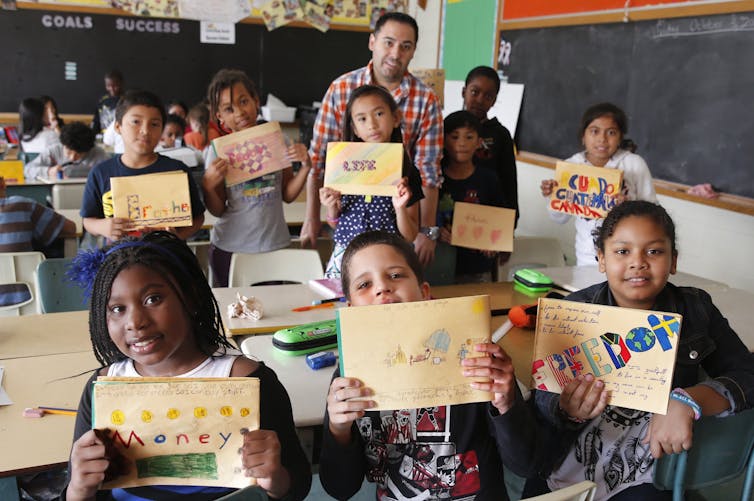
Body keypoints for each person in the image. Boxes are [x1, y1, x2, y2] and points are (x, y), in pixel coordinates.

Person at [496, 201, 754, 501]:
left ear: (673, 261)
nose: (638, 262)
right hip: (566, 468)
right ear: (601, 260)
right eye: (622, 251)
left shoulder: (697, 309)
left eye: (654, 251)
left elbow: (747, 374)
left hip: (648, 474)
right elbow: (543, 403)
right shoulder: (573, 313)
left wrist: (689, 400)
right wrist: (567, 409)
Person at [64, 231, 312, 501]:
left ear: (190, 297)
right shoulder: (104, 387)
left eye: (153, 299)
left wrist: (275, 478)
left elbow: (296, 488)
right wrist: (78, 488)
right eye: (116, 309)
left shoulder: (247, 381)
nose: (135, 322)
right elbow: (83, 493)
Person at [318, 230, 518, 500]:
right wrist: (339, 430)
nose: (382, 288)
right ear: (351, 307)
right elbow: (340, 488)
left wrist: (507, 403)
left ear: (424, 292)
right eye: (364, 284)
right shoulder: (349, 380)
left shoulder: (476, 361)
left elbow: (525, 463)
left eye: (396, 275)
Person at [302, 12, 444, 267]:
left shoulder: (426, 100)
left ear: (413, 52)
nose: (395, 53)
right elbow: (319, 161)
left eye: (406, 46)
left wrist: (426, 231)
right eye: (388, 42)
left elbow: (428, 172)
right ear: (372, 42)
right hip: (349, 238)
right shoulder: (340, 89)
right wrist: (313, 217)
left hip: (395, 233)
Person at [202, 69, 311, 287]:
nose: (240, 112)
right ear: (220, 117)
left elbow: (287, 195)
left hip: (273, 246)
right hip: (232, 248)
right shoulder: (218, 152)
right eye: (228, 109)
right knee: (232, 316)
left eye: (244, 101)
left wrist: (306, 167)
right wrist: (208, 186)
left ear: (256, 101)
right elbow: (218, 210)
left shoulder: (276, 140)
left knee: (272, 311)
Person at [319, 84, 422, 277]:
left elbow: (410, 235)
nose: (372, 125)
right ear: (355, 129)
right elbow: (336, 223)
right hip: (346, 256)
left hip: (388, 258)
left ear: (396, 118)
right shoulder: (343, 166)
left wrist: (399, 206)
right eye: (362, 119)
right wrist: (331, 206)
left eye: (379, 114)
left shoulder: (407, 171)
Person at [540, 103, 657, 266]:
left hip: (628, 255)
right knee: (590, 291)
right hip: (586, 256)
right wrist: (551, 196)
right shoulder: (572, 167)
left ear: (620, 136)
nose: (602, 139)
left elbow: (653, 212)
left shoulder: (633, 164)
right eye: (594, 131)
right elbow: (559, 218)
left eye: (611, 132)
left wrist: (628, 207)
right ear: (583, 136)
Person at [80, 90, 205, 242]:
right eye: (136, 122)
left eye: (154, 124)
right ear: (118, 127)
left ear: (161, 131)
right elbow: (88, 220)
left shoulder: (177, 170)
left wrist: (177, 236)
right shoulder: (101, 172)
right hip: (119, 259)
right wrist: (104, 227)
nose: (145, 131)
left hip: (166, 257)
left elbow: (198, 218)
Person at [437, 111, 507, 283]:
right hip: (441, 262)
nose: (461, 143)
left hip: (478, 266)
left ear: (479, 142)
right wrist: (437, 231)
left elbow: (501, 216)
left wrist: (494, 242)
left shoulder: (488, 178)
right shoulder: (435, 179)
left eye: (469, 137)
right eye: (454, 137)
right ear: (444, 141)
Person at [461, 66, 518, 226]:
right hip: (449, 217)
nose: (480, 100)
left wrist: (510, 226)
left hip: (487, 220)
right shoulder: (447, 128)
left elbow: (509, 182)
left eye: (488, 96)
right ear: (463, 92)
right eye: (474, 92)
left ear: (494, 101)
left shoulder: (501, 135)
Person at [24, 122, 109, 180]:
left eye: (78, 154)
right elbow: (27, 170)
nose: (72, 158)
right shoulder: (54, 151)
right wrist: (49, 171)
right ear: (63, 144)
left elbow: (111, 174)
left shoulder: (98, 153)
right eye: (68, 152)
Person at [91, 69, 123, 134]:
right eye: (108, 86)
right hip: (104, 135)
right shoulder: (102, 101)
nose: (112, 88)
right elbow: (96, 121)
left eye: (115, 85)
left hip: (119, 135)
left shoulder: (126, 100)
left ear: (121, 84)